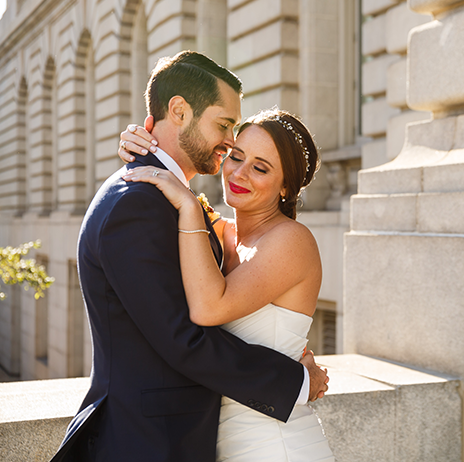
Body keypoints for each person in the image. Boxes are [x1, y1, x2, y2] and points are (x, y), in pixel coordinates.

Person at [49, 51, 328, 462]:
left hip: (262, 443)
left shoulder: (197, 214)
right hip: (148, 443)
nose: (231, 149)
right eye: (226, 130)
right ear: (178, 110)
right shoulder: (143, 204)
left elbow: (201, 315)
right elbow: (185, 336)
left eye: (261, 167)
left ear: (286, 186)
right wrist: (294, 381)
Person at [120, 107, 335, 461]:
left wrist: (189, 206)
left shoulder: (291, 240)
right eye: (236, 156)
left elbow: (208, 308)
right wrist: (141, 146)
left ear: (285, 187)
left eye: (260, 168)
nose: (239, 172)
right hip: (219, 442)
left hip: (275, 445)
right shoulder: (218, 232)